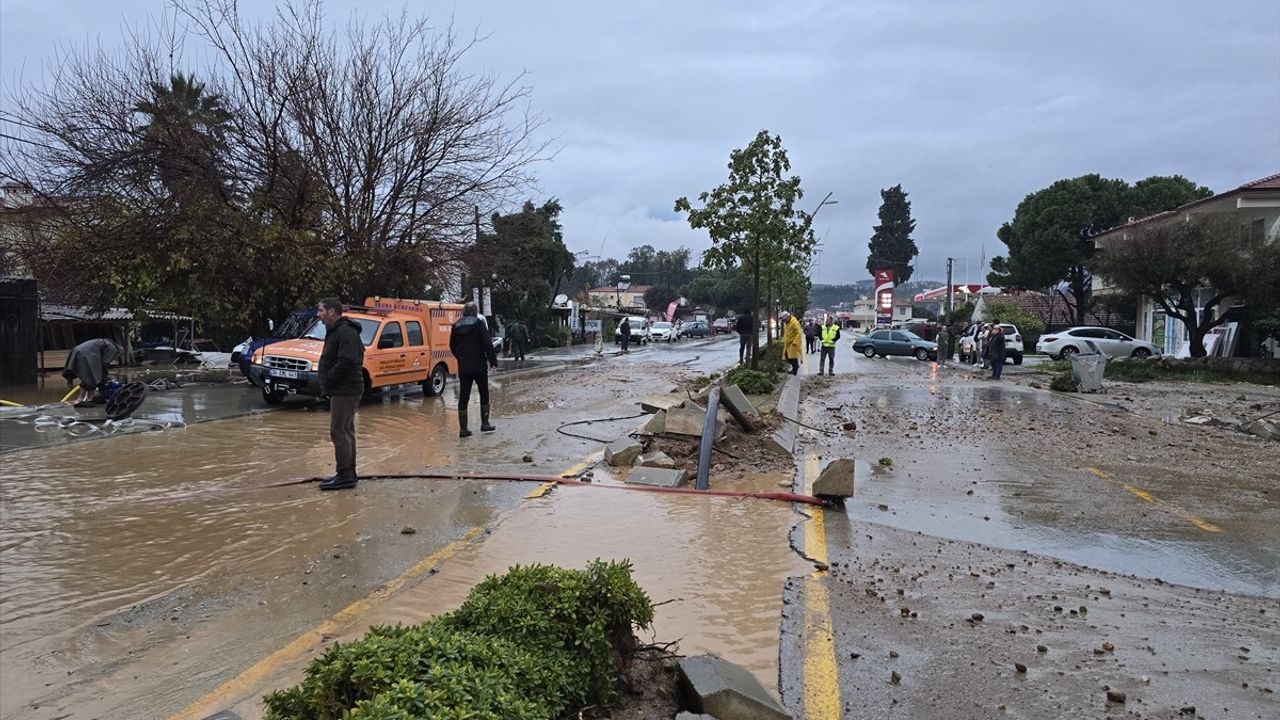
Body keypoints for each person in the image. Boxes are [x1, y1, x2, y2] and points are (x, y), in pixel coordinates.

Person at [316, 297, 365, 491]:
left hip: (345, 389)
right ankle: (347, 473)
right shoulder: (336, 331)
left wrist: (328, 379)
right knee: (346, 430)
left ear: (332, 312)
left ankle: (345, 475)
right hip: (343, 388)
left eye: (320, 311)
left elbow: (347, 361)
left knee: (339, 431)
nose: (318, 315)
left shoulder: (345, 332)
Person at [450, 302, 499, 437]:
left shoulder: (456, 325)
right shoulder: (479, 324)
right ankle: (485, 424)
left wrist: (460, 357)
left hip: (464, 366)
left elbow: (452, 345)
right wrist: (493, 361)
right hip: (479, 365)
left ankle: (463, 429)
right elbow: (487, 344)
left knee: (464, 396)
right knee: (484, 393)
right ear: (475, 312)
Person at [62, 338, 124, 403]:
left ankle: (90, 397)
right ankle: (80, 399)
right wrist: (107, 376)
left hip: (77, 351)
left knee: (90, 376)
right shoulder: (113, 349)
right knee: (91, 378)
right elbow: (104, 363)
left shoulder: (107, 344)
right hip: (86, 354)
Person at [781, 310, 802, 375]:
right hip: (787, 343)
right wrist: (783, 340)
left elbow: (798, 333)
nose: (784, 321)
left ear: (788, 317)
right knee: (787, 356)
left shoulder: (794, 323)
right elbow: (786, 333)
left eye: (784, 319)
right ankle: (795, 367)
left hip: (793, 343)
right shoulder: (786, 323)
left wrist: (795, 341)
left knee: (793, 357)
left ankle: (795, 369)